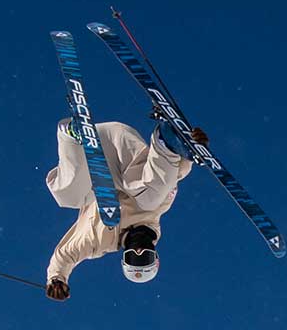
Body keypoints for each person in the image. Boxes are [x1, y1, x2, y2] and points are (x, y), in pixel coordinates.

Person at [44, 114, 208, 299]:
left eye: (132, 258)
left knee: (68, 197)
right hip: (118, 151)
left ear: (124, 257)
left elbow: (65, 255)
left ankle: (71, 135)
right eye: (144, 258)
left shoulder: (98, 242)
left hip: (89, 159)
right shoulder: (157, 210)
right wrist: (190, 149)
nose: (138, 251)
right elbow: (174, 175)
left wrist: (57, 279)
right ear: (155, 255)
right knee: (151, 199)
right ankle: (167, 143)